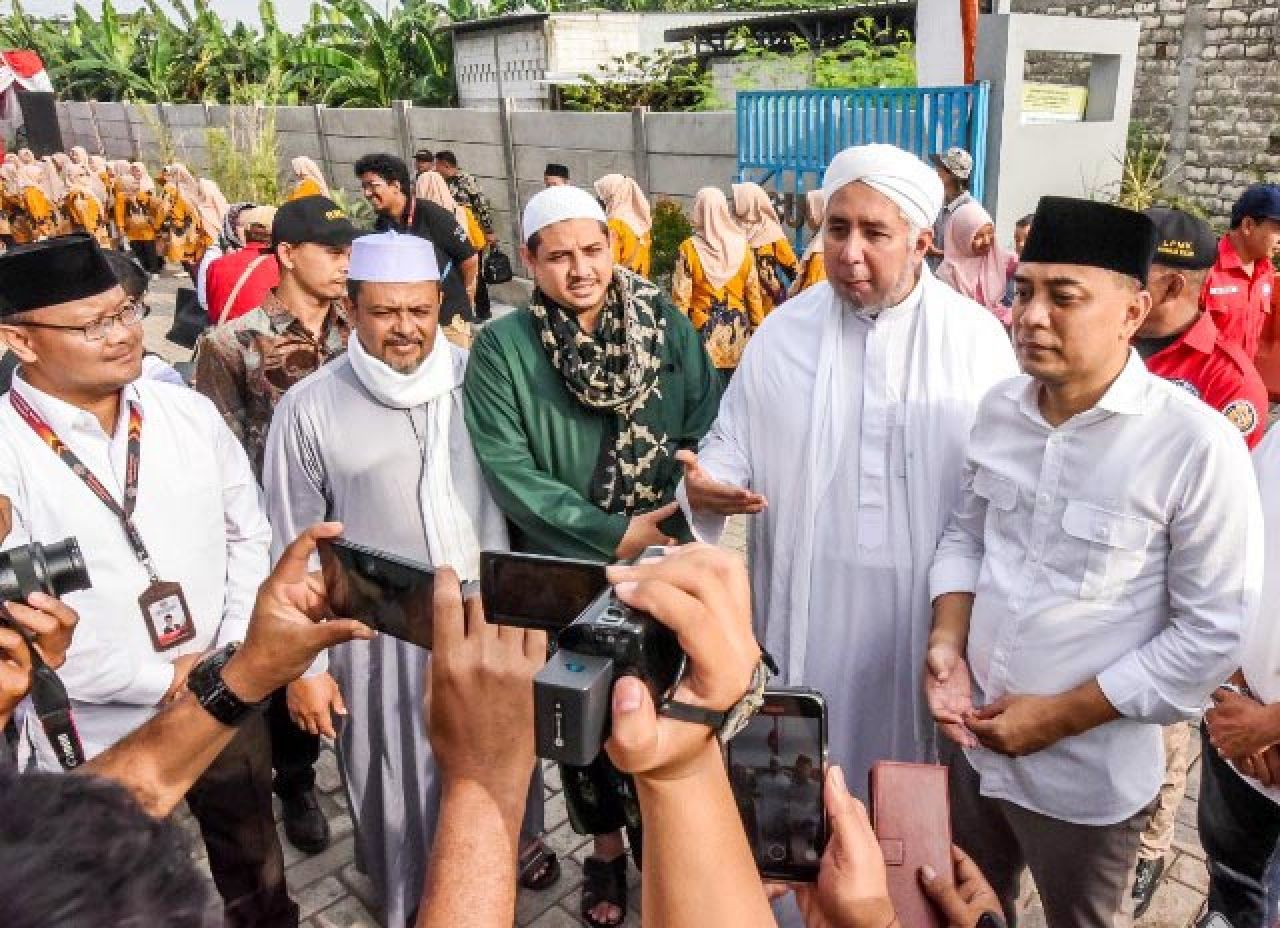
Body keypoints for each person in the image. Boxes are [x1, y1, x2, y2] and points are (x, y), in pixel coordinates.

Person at [926, 196, 1260, 928]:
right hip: (973, 751)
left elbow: (1210, 632)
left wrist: (1056, 719)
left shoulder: (1195, 447)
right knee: (965, 911)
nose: (1030, 316)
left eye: (1063, 296)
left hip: (1086, 783)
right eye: (1023, 291)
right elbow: (966, 538)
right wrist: (947, 645)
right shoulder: (1000, 411)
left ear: (1133, 311)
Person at [677, 146, 1017, 843]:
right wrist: (707, 486)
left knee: (911, 790)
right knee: (802, 781)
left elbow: (1000, 493)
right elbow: (732, 437)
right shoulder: (784, 332)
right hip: (806, 596)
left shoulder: (977, 343)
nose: (849, 252)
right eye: (837, 229)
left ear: (921, 242)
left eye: (874, 232)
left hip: (924, 612)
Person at [0, 235, 296, 926]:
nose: (125, 334)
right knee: (103, 889)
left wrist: (228, 655)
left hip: (223, 687)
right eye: (94, 324)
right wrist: (158, 681)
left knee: (254, 859)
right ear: (21, 340)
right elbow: (23, 624)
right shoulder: (6, 454)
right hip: (93, 725)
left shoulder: (184, 412)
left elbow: (248, 532)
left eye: (127, 311)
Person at [262, 230, 540, 927]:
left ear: (439, 303)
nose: (405, 328)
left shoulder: (483, 381)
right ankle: (408, 900)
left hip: (486, 621)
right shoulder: (309, 408)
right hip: (380, 640)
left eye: (419, 309)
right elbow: (291, 547)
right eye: (385, 312)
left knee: (499, 758)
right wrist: (306, 669)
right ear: (351, 308)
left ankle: (495, 881)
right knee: (394, 779)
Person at [463, 184, 722, 927]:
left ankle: (670, 846)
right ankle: (606, 853)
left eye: (592, 250)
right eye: (558, 256)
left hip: (665, 557)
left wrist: (684, 498)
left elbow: (707, 419)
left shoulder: (664, 324)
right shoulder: (504, 349)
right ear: (531, 261)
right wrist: (613, 534)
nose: (580, 270)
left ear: (613, 246)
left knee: (668, 708)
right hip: (568, 572)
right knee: (580, 722)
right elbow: (510, 471)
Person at [194, 199, 357, 855]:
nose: (345, 264)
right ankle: (296, 783)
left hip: (361, 531)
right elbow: (221, 456)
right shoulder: (232, 343)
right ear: (287, 254)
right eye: (332, 251)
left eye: (349, 251)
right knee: (293, 655)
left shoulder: (361, 326)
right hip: (284, 537)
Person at [1197, 426, 1280, 928]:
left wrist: (1270, 724)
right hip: (1234, 735)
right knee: (1232, 883)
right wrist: (1229, 689)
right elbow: (1222, 556)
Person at [357, 153, 479, 350]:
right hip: (411, 321)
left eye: (372, 185)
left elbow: (469, 260)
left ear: (395, 185)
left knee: (453, 367)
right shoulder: (382, 225)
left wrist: (460, 298)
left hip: (448, 319)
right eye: (364, 187)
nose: (367, 193)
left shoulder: (431, 214)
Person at [671, 186, 765, 385]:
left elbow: (681, 300)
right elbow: (753, 296)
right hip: (737, 337)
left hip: (701, 340)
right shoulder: (743, 248)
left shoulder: (689, 249)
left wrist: (677, 338)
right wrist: (759, 330)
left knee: (706, 396)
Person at [1204, 184, 1280, 359]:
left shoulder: (1266, 273)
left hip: (1243, 374)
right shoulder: (1205, 269)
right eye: (1278, 230)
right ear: (1248, 225)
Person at [937, 200, 1018, 327]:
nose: (986, 241)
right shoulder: (946, 275)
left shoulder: (1002, 260)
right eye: (978, 236)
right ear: (961, 237)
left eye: (990, 233)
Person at [204, 205, 281, 325]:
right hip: (261, 335)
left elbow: (211, 310)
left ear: (245, 233)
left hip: (223, 334)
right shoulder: (281, 267)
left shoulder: (216, 265)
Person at [732, 181, 799, 311]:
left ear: (751, 202)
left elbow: (794, 271)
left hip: (769, 306)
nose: (734, 204)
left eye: (739, 199)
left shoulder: (771, 232)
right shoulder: (730, 228)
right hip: (739, 305)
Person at [594, 173, 653, 278]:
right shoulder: (642, 226)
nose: (599, 199)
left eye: (602, 194)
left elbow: (609, 264)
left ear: (612, 195)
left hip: (619, 284)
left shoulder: (614, 225)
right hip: (639, 283)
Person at [434, 149, 497, 247]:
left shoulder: (466, 180)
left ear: (446, 165)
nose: (435, 169)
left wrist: (489, 231)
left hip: (470, 230)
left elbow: (481, 205)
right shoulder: (440, 181)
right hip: (452, 231)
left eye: (437, 165)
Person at [928, 146, 975, 269]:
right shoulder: (938, 201)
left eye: (940, 168)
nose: (936, 171)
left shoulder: (969, 211)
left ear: (951, 174)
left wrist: (936, 253)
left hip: (955, 279)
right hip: (934, 276)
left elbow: (971, 256)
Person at [115, 161, 163, 274]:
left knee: (149, 249)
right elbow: (119, 214)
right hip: (132, 229)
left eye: (136, 183)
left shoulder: (142, 194)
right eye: (133, 183)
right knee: (137, 249)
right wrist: (121, 228)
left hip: (146, 227)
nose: (136, 184)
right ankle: (146, 269)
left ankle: (154, 270)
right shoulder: (121, 197)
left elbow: (153, 205)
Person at [62, 162, 112, 247]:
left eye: (85, 174)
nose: (85, 177)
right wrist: (93, 237)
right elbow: (85, 217)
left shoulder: (84, 191)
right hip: (92, 235)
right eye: (81, 175)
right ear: (71, 178)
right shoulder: (78, 194)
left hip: (95, 231)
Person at [789, 190, 827, 298]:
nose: (807, 217)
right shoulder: (820, 239)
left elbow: (816, 291)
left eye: (810, 211)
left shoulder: (820, 252)